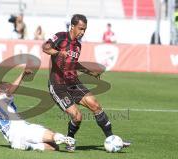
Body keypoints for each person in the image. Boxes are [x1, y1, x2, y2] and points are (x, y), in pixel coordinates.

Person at [42, 14, 130, 151]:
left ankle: (112, 138)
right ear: (72, 26)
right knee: (77, 116)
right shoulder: (60, 37)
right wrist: (58, 53)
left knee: (95, 105)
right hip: (58, 86)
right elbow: (45, 48)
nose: (82, 32)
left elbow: (74, 63)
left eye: (85, 29)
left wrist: (91, 72)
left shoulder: (77, 45)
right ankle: (69, 139)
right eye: (81, 28)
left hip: (73, 83)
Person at [0, 68, 75, 151]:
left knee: (54, 147)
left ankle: (28, 146)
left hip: (13, 138)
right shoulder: (3, 99)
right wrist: (23, 74)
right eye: (9, 87)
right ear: (1, 91)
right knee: (52, 137)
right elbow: (11, 90)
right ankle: (63, 138)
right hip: (23, 129)